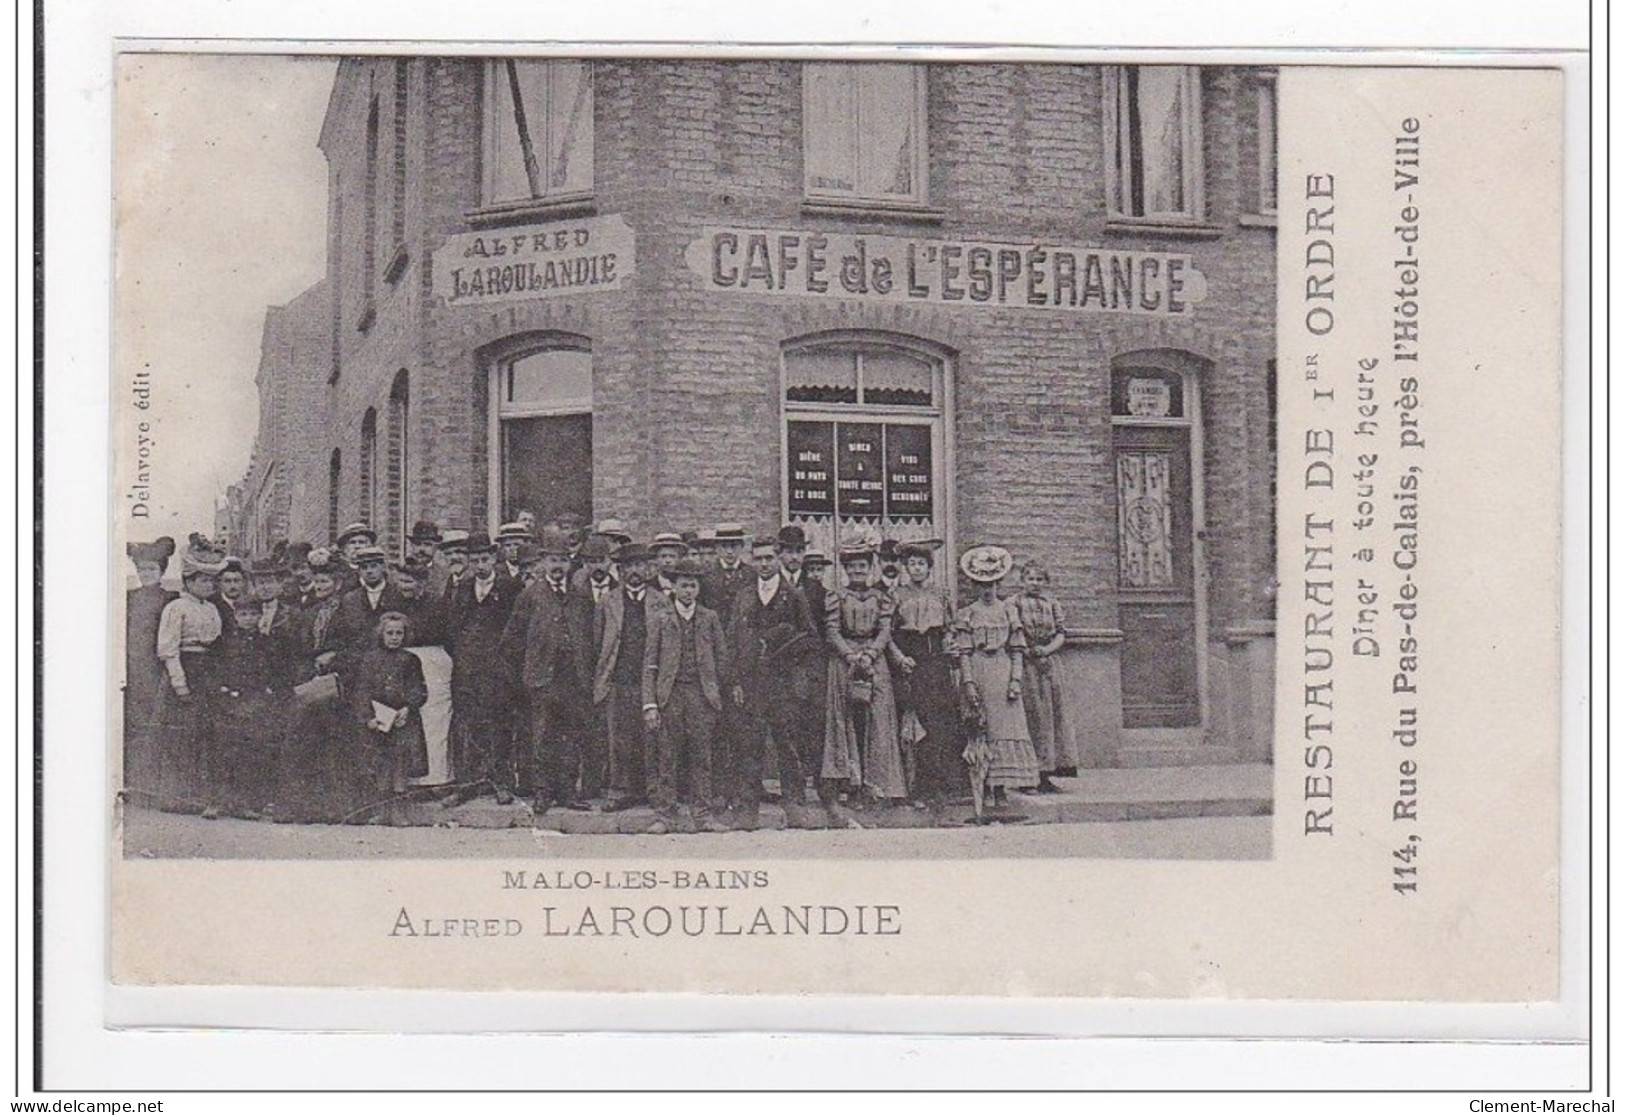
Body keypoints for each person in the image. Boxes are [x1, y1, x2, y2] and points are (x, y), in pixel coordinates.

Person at [728, 535, 824, 829]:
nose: (764, 564)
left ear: (779, 557)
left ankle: (795, 806)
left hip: (784, 684)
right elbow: (732, 641)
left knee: (788, 746)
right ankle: (747, 811)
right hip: (751, 683)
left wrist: (783, 646)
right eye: (758, 559)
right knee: (750, 747)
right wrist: (735, 682)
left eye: (769, 558)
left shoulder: (793, 595)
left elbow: (811, 638)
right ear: (752, 561)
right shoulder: (743, 595)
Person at [501, 525, 594, 814]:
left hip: (573, 677)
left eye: (564, 560)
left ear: (570, 564)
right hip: (542, 678)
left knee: (570, 736)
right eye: (553, 560)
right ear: (543, 563)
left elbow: (590, 636)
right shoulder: (530, 596)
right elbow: (512, 641)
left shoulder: (580, 596)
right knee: (542, 736)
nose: (558, 567)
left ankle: (567, 792)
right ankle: (543, 793)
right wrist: (524, 674)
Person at [820, 532, 907, 812]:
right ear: (845, 569)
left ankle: (878, 785)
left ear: (870, 568)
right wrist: (850, 655)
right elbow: (832, 631)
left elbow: (885, 630)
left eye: (863, 566)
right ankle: (850, 785)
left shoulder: (881, 597)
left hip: (875, 661)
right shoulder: (836, 597)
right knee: (846, 722)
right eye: (852, 566)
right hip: (844, 662)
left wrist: (869, 654)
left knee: (878, 721)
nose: (858, 571)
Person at [641, 558, 729, 834]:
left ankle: (703, 816)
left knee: (702, 757)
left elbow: (721, 659)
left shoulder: (710, 618)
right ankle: (665, 816)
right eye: (683, 586)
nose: (688, 591)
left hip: (701, 696)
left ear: (699, 588)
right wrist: (650, 703)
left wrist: (718, 696)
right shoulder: (661, 618)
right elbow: (649, 664)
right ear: (674, 588)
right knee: (667, 756)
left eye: (693, 586)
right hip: (671, 695)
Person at [955, 545, 1041, 815]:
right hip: (979, 670)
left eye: (991, 583)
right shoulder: (967, 613)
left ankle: (1002, 787)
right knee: (983, 730)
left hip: (1003, 671)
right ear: (973, 584)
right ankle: (985, 788)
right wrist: (968, 683)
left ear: (999, 583)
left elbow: (1017, 648)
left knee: (1005, 730)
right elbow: (964, 652)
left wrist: (1015, 680)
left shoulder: (1008, 611)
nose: (987, 589)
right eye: (981, 583)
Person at [589, 542, 668, 813]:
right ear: (621, 571)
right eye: (629, 567)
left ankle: (652, 789)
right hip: (618, 679)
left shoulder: (661, 601)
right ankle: (619, 790)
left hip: (649, 682)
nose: (635, 571)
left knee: (651, 737)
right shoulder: (607, 602)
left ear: (647, 569)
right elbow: (599, 642)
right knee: (618, 737)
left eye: (640, 566)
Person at [445, 532, 521, 804]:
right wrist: (464, 655)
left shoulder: (510, 587)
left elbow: (516, 628)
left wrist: (504, 661)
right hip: (467, 668)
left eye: (484, 559)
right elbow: (453, 627)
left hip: (498, 669)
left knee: (499, 723)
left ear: (493, 557)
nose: (480, 565)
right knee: (467, 723)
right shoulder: (463, 588)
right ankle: (468, 784)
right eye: (474, 560)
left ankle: (501, 782)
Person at [889, 541, 962, 806]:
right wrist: (899, 658)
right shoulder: (896, 595)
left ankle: (943, 786)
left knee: (940, 720)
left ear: (929, 567)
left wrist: (951, 649)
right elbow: (887, 633)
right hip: (911, 658)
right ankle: (917, 787)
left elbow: (950, 628)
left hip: (936, 660)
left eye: (921, 563)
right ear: (906, 568)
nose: (916, 568)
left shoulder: (941, 594)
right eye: (912, 564)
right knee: (914, 722)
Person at [152, 552, 226, 813]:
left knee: (205, 736)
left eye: (212, 582)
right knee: (181, 736)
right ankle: (177, 797)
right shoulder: (176, 608)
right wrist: (179, 683)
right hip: (185, 670)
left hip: (207, 674)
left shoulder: (212, 608)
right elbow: (168, 650)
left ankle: (202, 797)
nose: (209, 586)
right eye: (203, 581)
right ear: (189, 582)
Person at [210, 596, 291, 820]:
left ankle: (247, 804)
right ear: (236, 617)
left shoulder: (268, 643)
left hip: (257, 703)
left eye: (253, 614)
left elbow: (278, 673)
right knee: (226, 750)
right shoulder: (224, 642)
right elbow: (214, 671)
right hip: (230, 701)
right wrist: (223, 691)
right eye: (243, 614)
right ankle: (219, 801)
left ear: (260, 616)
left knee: (253, 751)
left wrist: (269, 692)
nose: (248, 619)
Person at [350, 612, 430, 825]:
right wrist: (368, 718)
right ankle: (382, 810)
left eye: (399, 633)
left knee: (400, 763)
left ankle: (399, 810)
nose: (394, 637)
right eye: (390, 633)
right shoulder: (370, 659)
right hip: (379, 720)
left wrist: (408, 708)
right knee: (381, 764)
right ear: (381, 634)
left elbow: (419, 690)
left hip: (403, 721)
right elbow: (362, 692)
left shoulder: (410, 660)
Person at [1015, 560, 1075, 790]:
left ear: (1046, 582)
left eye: (1040, 579)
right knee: (1032, 716)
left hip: (1048, 664)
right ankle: (1026, 773)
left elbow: (1061, 633)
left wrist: (1047, 650)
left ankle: (1046, 773)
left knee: (1050, 716)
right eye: (1030, 579)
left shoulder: (1052, 603)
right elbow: (1014, 631)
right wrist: (1029, 651)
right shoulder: (1015, 603)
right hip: (1025, 664)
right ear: (1022, 581)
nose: (1035, 583)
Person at [124, 536, 176, 799]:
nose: (146, 574)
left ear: (161, 571)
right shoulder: (128, 598)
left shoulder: (170, 598)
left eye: (152, 570)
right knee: (132, 722)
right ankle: (133, 784)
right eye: (142, 569)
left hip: (156, 666)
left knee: (154, 722)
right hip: (132, 665)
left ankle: (153, 786)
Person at [700, 522, 752, 615]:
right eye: (724, 546)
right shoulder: (705, 574)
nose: (729, 551)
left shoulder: (751, 574)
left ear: (742, 546)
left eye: (734, 546)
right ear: (716, 547)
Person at [406, 520, 451, 600]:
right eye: (417, 544)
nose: (421, 549)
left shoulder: (445, 575)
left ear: (435, 547)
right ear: (412, 545)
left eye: (427, 544)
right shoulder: (401, 572)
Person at [650, 532, 686, 598]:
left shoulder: (687, 584)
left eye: (672, 556)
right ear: (656, 559)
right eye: (663, 556)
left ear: (679, 559)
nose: (668, 560)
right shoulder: (649, 585)